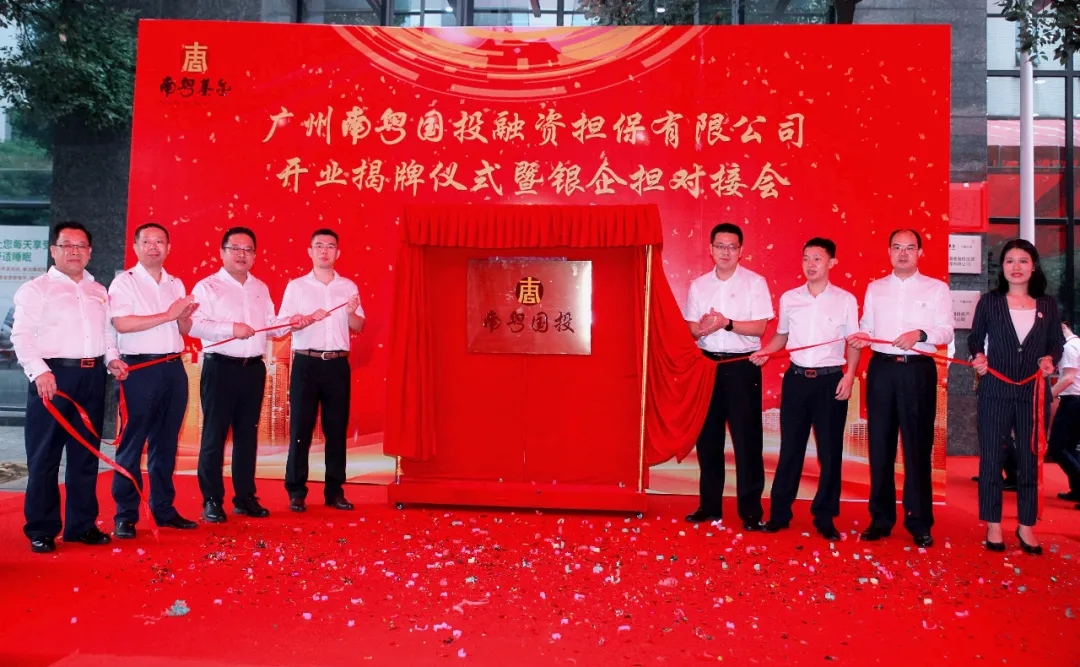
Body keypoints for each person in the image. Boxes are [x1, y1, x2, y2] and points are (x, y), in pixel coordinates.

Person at [12, 221, 128, 553]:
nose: (74, 251)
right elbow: (22, 336)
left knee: (85, 455)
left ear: (90, 252)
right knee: (44, 456)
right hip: (52, 378)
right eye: (67, 245)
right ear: (54, 250)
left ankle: (82, 525)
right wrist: (39, 372)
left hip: (92, 378)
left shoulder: (98, 290)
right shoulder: (36, 289)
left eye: (81, 246)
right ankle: (42, 528)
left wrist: (112, 359)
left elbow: (106, 334)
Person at [189, 227, 308, 523]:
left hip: (253, 369)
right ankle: (212, 500)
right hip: (220, 367)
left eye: (248, 250)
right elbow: (194, 325)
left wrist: (291, 323)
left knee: (247, 435)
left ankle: (244, 497)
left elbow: (270, 326)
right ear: (222, 252)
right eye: (236, 248)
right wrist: (232, 329)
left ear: (254, 255)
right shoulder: (207, 287)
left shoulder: (260, 288)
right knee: (214, 435)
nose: (242, 255)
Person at [848, 229, 953, 548]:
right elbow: (867, 325)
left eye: (910, 248)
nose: (903, 253)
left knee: (917, 447)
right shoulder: (875, 288)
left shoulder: (936, 288)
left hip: (917, 371)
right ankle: (880, 519)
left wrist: (920, 334)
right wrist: (862, 335)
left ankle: (919, 521)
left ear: (920, 252)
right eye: (897, 247)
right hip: (881, 370)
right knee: (880, 445)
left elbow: (946, 331)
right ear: (889, 252)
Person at [750, 238, 860, 540]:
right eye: (806, 258)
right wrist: (766, 352)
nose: (810, 265)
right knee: (790, 449)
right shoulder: (790, 298)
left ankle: (825, 517)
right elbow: (782, 335)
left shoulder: (845, 300)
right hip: (797, 380)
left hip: (830, 382)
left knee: (830, 452)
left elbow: (853, 342)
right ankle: (779, 514)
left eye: (817, 259)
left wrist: (850, 375)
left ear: (831, 263)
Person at [968, 239, 1063, 554]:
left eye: (1023, 260)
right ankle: (993, 524)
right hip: (996, 389)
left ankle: (1026, 525)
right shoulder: (990, 302)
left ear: (1033, 266)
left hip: (1033, 391)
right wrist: (979, 357)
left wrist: (1050, 360)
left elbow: (1056, 343)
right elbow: (975, 338)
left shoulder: (1047, 304)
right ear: (1003, 267)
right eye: (1010, 260)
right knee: (992, 457)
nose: (1017, 267)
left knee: (1030, 459)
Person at [108, 222, 200, 539]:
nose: (153, 247)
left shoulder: (175, 283)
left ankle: (164, 508)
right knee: (133, 443)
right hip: (140, 369)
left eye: (159, 241)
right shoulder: (124, 282)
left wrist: (184, 316)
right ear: (135, 247)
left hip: (173, 368)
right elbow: (122, 323)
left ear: (168, 248)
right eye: (146, 241)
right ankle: (125, 515)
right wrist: (169, 314)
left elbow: (184, 329)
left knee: (166, 442)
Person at [683, 222, 774, 531]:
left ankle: (750, 511)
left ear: (741, 251)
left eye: (732, 246)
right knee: (708, 439)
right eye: (720, 246)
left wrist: (727, 323)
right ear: (710, 249)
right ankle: (709, 506)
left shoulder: (755, 283)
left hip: (741, 366)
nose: (725, 252)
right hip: (707, 365)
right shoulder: (699, 285)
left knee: (747, 440)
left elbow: (759, 328)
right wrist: (702, 328)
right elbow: (691, 327)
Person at [278, 229, 364, 512]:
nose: (324, 251)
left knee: (336, 429)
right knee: (300, 428)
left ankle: (334, 491)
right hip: (306, 363)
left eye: (330, 246)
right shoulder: (297, 287)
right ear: (310, 252)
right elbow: (283, 324)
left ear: (338, 252)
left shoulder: (348, 286)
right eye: (319, 246)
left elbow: (359, 326)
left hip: (337, 365)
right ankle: (296, 491)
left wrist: (351, 312)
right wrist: (301, 320)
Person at [1049, 317, 1080, 508]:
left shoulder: (1069, 348)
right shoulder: (1077, 344)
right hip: (1076, 401)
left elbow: (1068, 378)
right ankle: (1077, 490)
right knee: (1069, 447)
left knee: (1058, 448)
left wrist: (1048, 395)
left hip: (1073, 402)